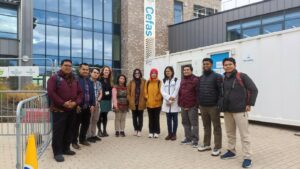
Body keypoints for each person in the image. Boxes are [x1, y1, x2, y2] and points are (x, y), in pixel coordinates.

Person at [220, 58, 258, 169]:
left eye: (230, 64)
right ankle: (231, 151)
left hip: (240, 110)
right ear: (223, 66)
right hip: (227, 110)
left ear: (235, 65)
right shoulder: (223, 78)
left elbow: (254, 90)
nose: (228, 66)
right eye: (226, 65)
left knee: (244, 135)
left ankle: (247, 157)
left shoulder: (242, 76)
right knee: (230, 133)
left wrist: (249, 104)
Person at [47, 59, 83, 162]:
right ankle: (57, 152)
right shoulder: (54, 78)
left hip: (72, 109)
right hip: (59, 110)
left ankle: (66, 148)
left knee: (69, 130)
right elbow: (51, 93)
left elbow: (80, 93)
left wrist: (75, 103)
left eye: (70, 66)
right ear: (61, 66)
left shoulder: (75, 79)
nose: (68, 67)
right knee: (58, 131)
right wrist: (63, 103)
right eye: (66, 65)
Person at [197, 58, 223, 156]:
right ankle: (206, 144)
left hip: (213, 106)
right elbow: (198, 91)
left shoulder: (217, 76)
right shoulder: (201, 77)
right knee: (206, 126)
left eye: (207, 64)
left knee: (216, 127)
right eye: (204, 64)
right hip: (203, 106)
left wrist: (218, 105)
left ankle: (217, 147)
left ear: (211, 65)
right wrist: (199, 103)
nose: (205, 66)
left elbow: (221, 92)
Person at [72, 63, 95, 149]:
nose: (85, 71)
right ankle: (74, 141)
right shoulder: (75, 80)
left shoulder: (90, 81)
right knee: (76, 125)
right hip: (78, 107)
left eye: (87, 69)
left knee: (86, 124)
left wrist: (93, 104)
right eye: (83, 69)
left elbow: (92, 93)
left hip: (87, 107)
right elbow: (73, 93)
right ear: (79, 69)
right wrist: (76, 104)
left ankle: (82, 139)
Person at [178, 65, 200, 148]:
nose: (186, 71)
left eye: (187, 70)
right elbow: (180, 93)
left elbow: (198, 93)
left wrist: (196, 105)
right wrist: (180, 103)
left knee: (194, 123)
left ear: (191, 70)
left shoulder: (195, 80)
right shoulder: (182, 80)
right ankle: (188, 138)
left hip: (192, 106)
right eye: (184, 70)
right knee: (185, 123)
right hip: (183, 105)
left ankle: (195, 140)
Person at [160, 66, 180, 141]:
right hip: (167, 102)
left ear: (172, 72)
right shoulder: (164, 80)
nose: (167, 72)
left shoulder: (176, 80)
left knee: (175, 120)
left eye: (169, 71)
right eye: (166, 71)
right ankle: (169, 134)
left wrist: (172, 97)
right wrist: (168, 98)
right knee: (168, 120)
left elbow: (177, 89)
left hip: (174, 103)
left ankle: (174, 134)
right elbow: (162, 91)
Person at [127, 69, 147, 137]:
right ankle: (135, 129)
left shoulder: (144, 81)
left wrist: (145, 99)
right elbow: (128, 92)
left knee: (140, 117)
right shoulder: (131, 82)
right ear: (134, 74)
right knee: (134, 117)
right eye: (135, 73)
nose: (137, 74)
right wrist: (130, 100)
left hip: (141, 102)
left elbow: (146, 91)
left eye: (138, 73)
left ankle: (139, 130)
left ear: (140, 74)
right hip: (133, 102)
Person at [144, 68, 163, 138]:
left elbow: (161, 91)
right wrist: (147, 97)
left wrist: (158, 98)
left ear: (156, 74)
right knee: (150, 118)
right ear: (151, 74)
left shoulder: (159, 82)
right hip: (149, 103)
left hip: (157, 104)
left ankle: (156, 132)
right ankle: (151, 132)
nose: (153, 74)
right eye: (152, 73)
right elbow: (145, 90)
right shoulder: (147, 82)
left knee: (156, 118)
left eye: (155, 73)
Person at [86, 68, 103, 143]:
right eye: (94, 72)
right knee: (89, 120)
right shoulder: (87, 82)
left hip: (97, 103)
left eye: (97, 73)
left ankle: (93, 135)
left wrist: (98, 100)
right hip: (90, 104)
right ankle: (88, 136)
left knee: (95, 120)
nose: (96, 74)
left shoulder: (99, 83)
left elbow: (100, 93)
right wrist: (92, 102)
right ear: (91, 73)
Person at [97, 66, 113, 137]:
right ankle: (99, 131)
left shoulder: (110, 80)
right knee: (99, 116)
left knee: (105, 116)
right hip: (101, 100)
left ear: (109, 72)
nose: (107, 71)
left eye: (108, 70)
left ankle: (104, 130)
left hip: (107, 100)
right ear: (103, 71)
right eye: (105, 70)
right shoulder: (99, 79)